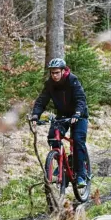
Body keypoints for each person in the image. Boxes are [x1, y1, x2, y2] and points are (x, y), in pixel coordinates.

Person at [30, 58, 89, 188]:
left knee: (78, 140)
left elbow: (81, 99)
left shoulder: (72, 80)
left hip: (79, 115)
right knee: (53, 138)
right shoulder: (50, 84)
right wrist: (35, 115)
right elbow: (41, 100)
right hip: (62, 115)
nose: (54, 75)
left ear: (63, 71)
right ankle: (61, 164)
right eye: (52, 73)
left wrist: (78, 113)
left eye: (57, 72)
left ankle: (81, 174)